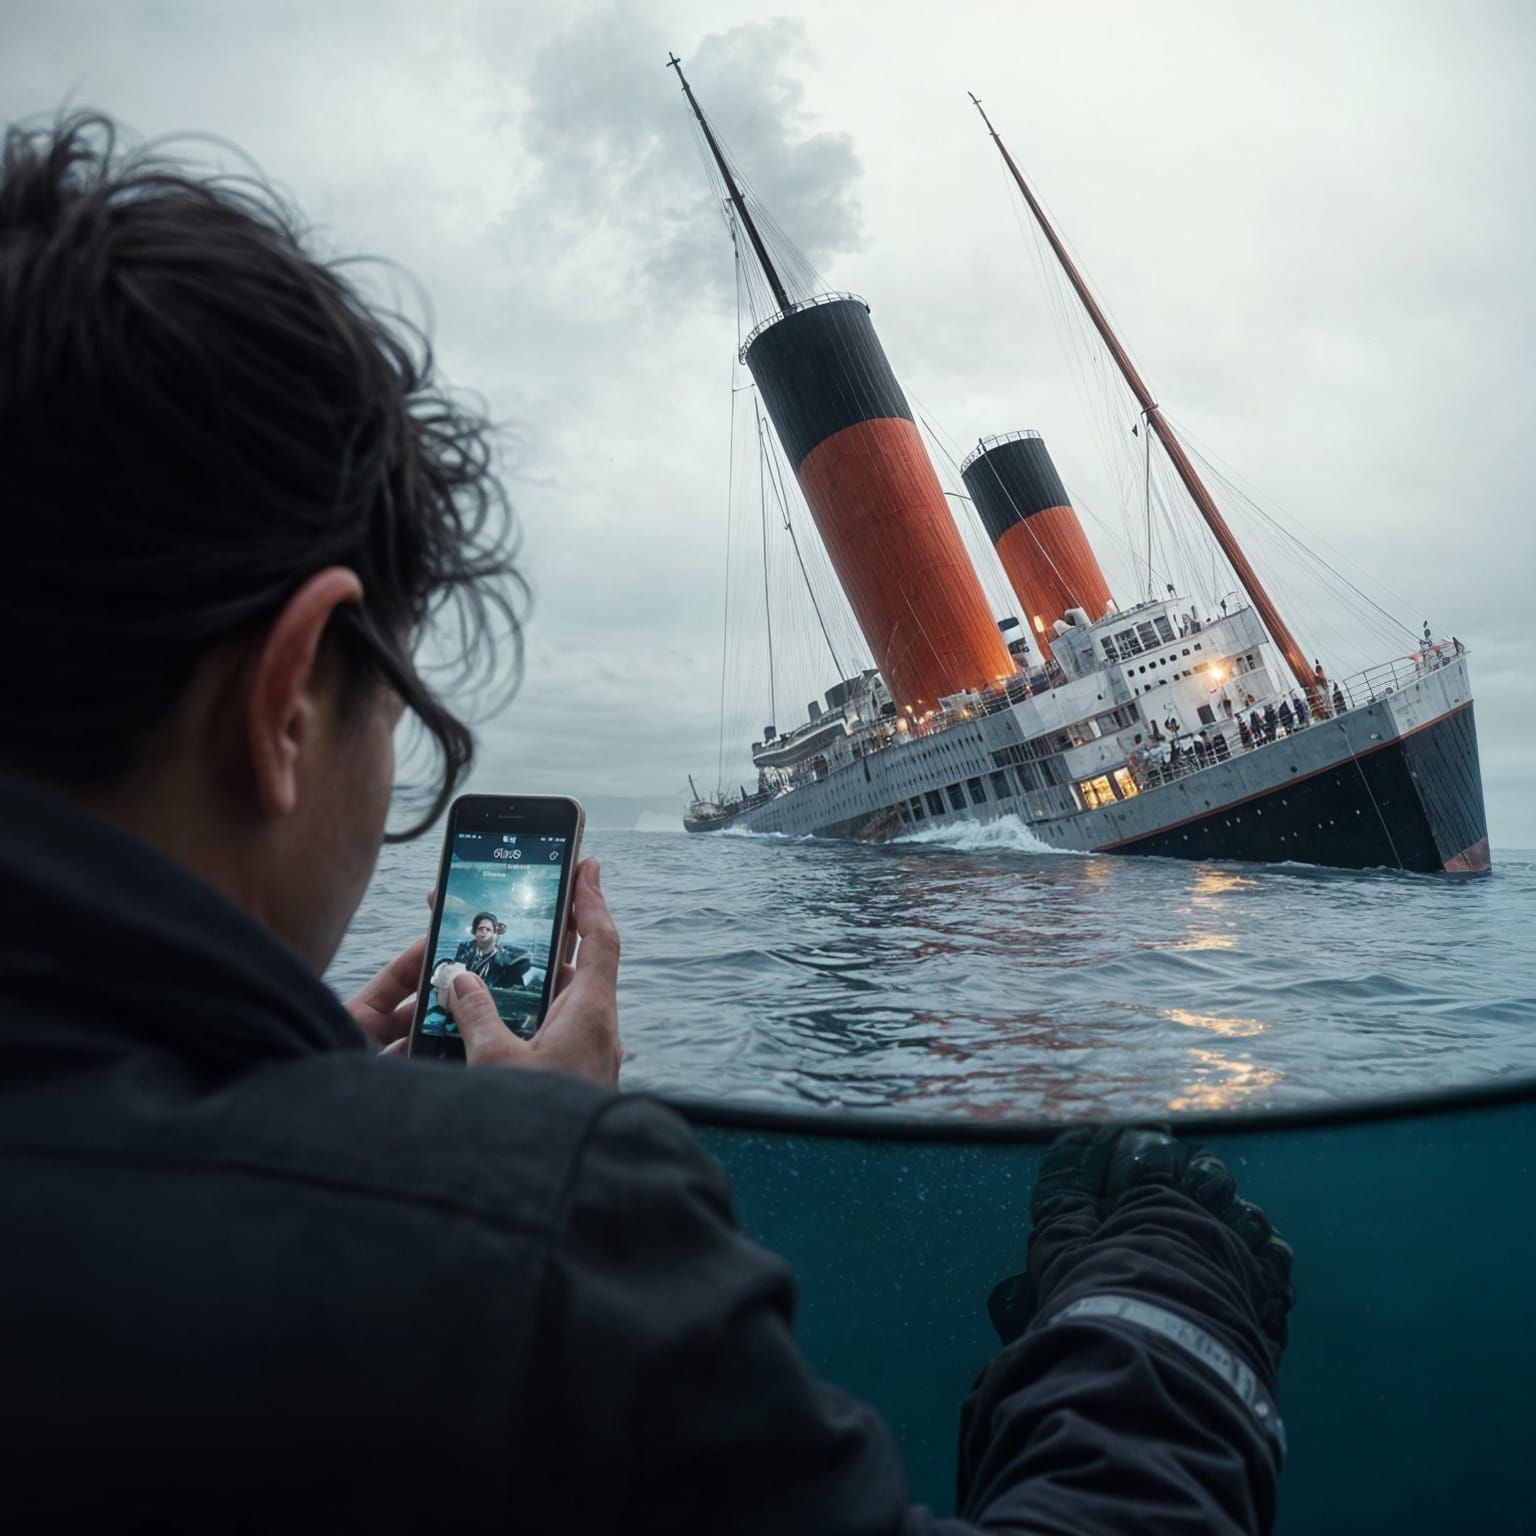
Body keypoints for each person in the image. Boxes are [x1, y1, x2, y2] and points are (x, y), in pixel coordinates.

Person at [0, 114, 1294, 1534]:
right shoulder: (524, 1241)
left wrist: (293, 1083)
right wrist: (1166, 1303)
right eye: (403, 699)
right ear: (288, 704)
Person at [454, 911, 533, 987]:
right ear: (475, 931)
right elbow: (457, 969)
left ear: (494, 933)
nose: (484, 932)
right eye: (480, 928)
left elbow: (526, 957)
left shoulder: (501, 954)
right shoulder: (465, 948)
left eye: (488, 929)